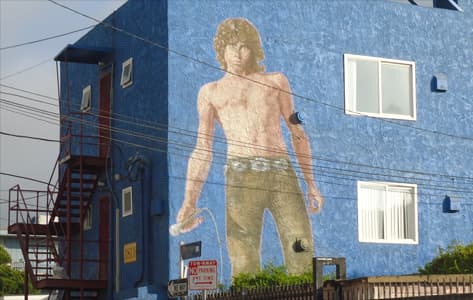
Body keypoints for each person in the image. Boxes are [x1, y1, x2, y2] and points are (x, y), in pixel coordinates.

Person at [176, 18, 324, 276]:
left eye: (244, 46)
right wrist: (189, 202)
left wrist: (311, 182)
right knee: (243, 262)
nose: (237, 53)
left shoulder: (276, 81)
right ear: (221, 49)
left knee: (300, 247)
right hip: (240, 175)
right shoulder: (210, 92)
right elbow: (202, 148)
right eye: (231, 46)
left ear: (253, 50)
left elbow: (296, 131)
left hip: (280, 172)